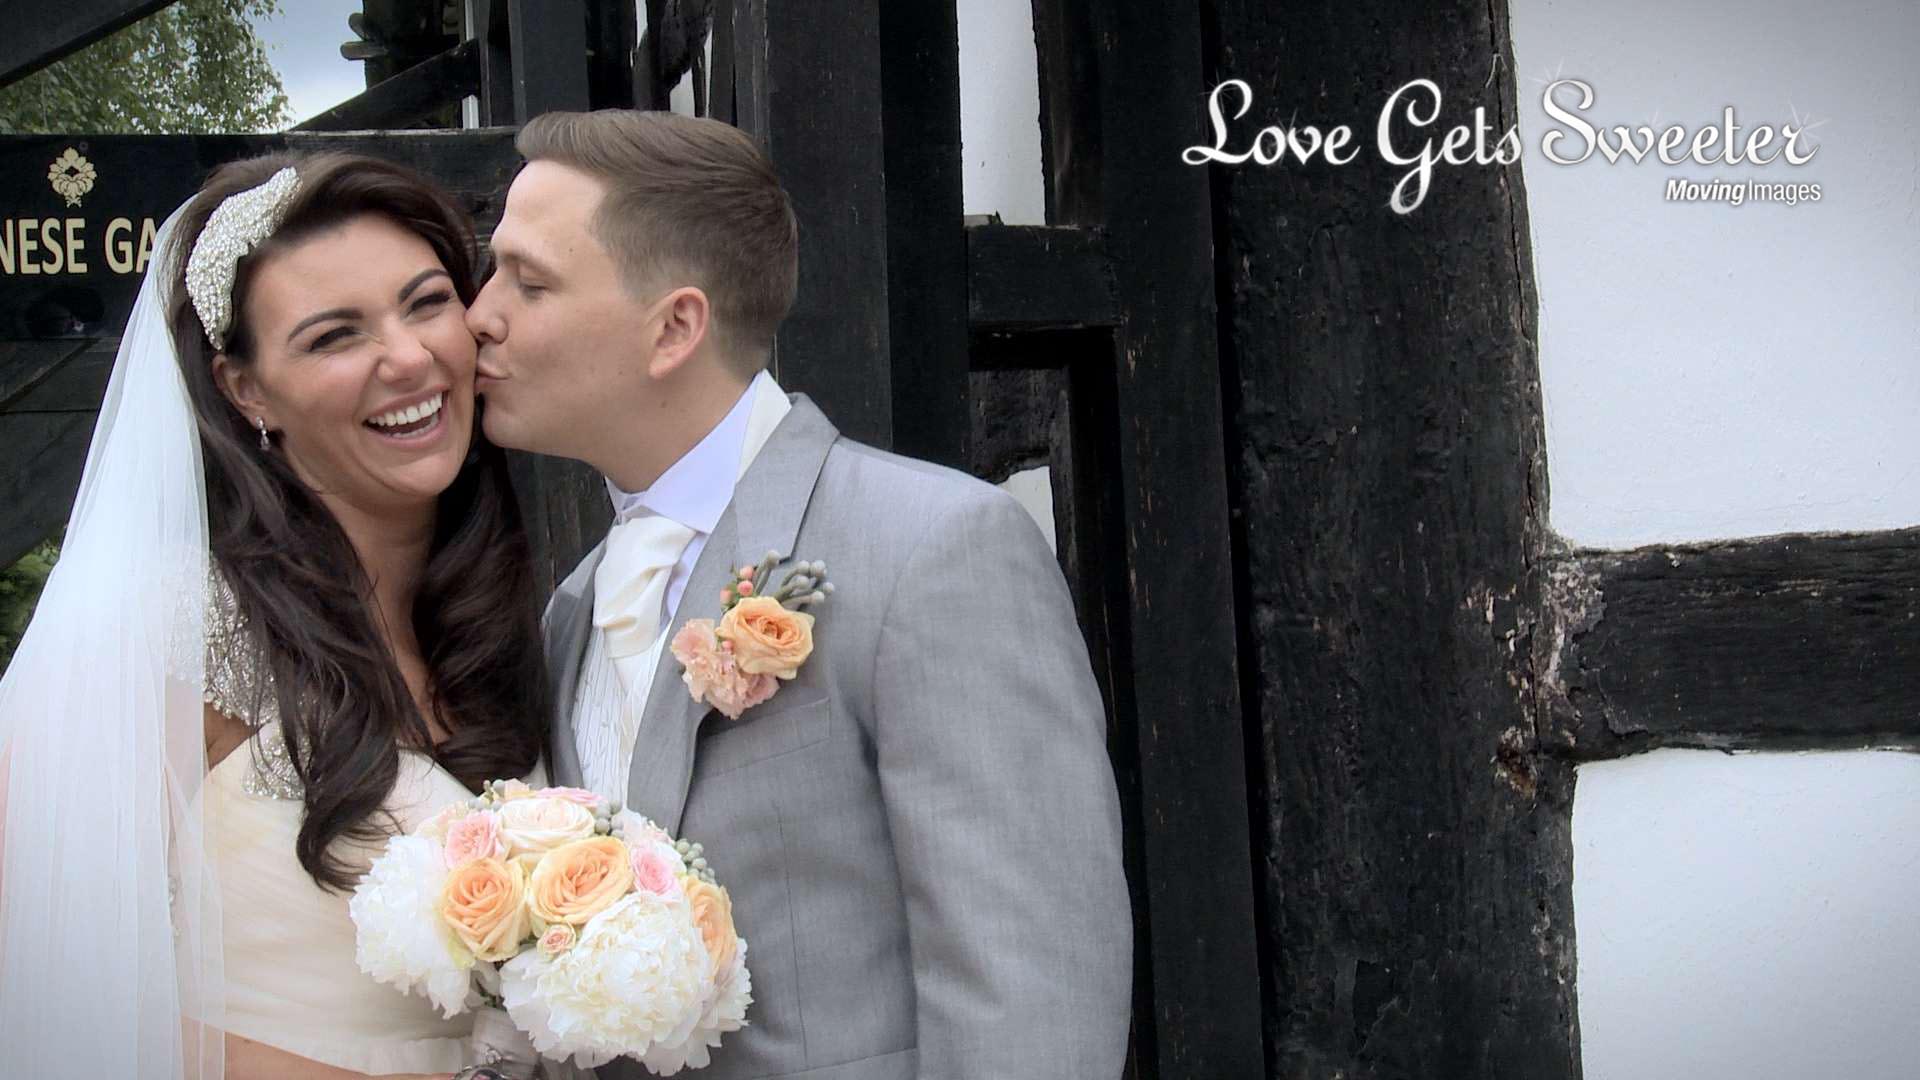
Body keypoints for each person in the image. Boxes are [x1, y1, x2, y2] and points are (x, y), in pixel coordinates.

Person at [466, 109, 1133, 1079]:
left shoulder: (933, 550)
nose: (480, 313)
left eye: (528, 282)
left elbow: (1030, 996)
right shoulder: (570, 611)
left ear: (674, 328)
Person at [0, 152, 549, 1079]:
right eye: (334, 336)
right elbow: (44, 990)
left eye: (425, 303)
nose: (408, 357)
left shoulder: (515, 623)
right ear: (245, 389)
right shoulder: (173, 625)